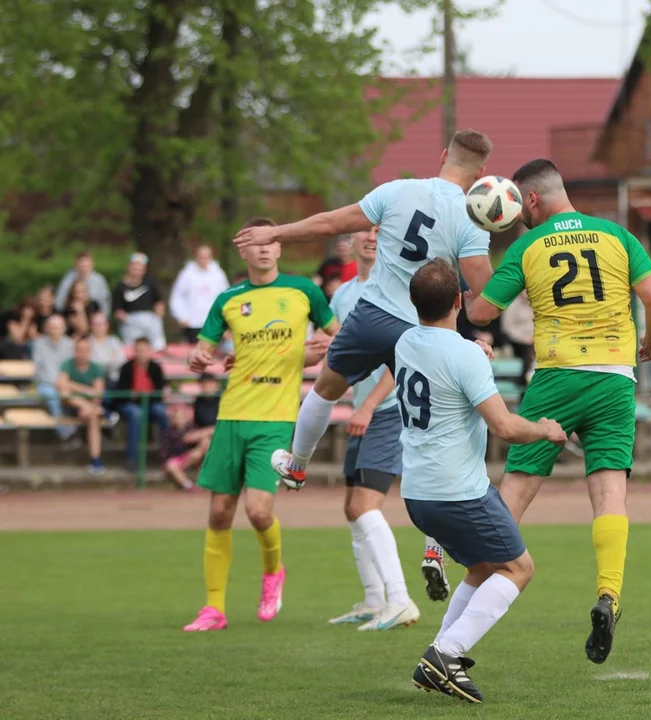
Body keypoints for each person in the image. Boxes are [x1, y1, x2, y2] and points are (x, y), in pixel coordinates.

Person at [465, 158, 651, 665]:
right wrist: (650, 342)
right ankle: (609, 596)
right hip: (615, 379)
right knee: (610, 493)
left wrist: (467, 265)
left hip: (556, 377)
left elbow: (481, 313)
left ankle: (460, 588)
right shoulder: (618, 235)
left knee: (513, 493)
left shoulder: (529, 244)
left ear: (530, 200)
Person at [232, 129, 495, 517]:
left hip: (373, 315)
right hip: (422, 329)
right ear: (481, 173)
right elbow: (483, 294)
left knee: (325, 389)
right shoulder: (471, 218)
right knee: (440, 426)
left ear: (443, 155)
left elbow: (328, 224)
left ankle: (298, 465)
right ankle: (437, 545)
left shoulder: (398, 190)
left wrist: (276, 231)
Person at [399, 260, 567, 703]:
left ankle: (436, 656)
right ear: (459, 300)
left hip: (418, 493)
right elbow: (505, 427)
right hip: (458, 492)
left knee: (482, 566)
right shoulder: (463, 354)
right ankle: (446, 653)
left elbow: (442, 355)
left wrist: (473, 349)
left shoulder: (405, 342)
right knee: (519, 568)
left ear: (413, 303)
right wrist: (546, 429)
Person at [182, 217, 339, 632]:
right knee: (218, 512)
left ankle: (273, 573)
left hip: (276, 418)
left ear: (280, 248)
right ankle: (214, 608)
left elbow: (338, 337)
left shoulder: (304, 290)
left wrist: (316, 352)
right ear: (243, 250)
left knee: (257, 511)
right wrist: (199, 358)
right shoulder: (228, 300)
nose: (265, 248)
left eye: (272, 241)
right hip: (232, 413)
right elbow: (203, 349)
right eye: (257, 242)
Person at [324, 227, 423, 630]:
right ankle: (372, 599)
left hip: (386, 410)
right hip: (361, 412)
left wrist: (366, 404)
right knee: (352, 508)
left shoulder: (395, 289)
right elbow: (341, 349)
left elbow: (397, 358)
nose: (369, 237)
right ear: (348, 243)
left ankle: (400, 599)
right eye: (362, 231)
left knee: (366, 506)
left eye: (378, 232)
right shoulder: (342, 295)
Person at [115, 337, 169, 471]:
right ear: (134, 351)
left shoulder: (156, 368)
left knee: (161, 412)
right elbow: (123, 394)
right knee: (136, 414)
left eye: (144, 350)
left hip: (151, 405)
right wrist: (140, 396)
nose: (141, 353)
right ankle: (132, 459)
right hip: (130, 406)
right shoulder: (126, 368)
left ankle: (168, 455)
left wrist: (142, 396)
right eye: (138, 350)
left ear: (149, 351)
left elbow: (160, 393)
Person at [56, 335, 108, 474]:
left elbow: (98, 394)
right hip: (70, 407)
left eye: (85, 350)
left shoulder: (96, 368)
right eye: (79, 350)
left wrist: (88, 405)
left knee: (93, 417)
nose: (82, 353)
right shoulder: (67, 364)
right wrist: (85, 392)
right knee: (66, 393)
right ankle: (91, 409)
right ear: (75, 351)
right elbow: (61, 384)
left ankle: (95, 460)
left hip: (89, 410)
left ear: (90, 352)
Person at [170, 245, 230, 343]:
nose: (203, 259)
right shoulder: (186, 274)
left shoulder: (218, 274)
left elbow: (225, 295)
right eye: (201, 256)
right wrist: (181, 317)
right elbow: (177, 296)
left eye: (206, 256)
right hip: (192, 323)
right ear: (196, 257)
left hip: (213, 322)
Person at [32, 314, 77, 442]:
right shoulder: (39, 344)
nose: (55, 330)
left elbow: (71, 369)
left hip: (66, 384)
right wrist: (56, 383)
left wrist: (63, 383)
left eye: (58, 327)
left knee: (70, 395)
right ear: (46, 328)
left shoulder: (71, 344)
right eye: (52, 327)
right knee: (53, 396)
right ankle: (67, 432)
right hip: (45, 385)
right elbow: (38, 371)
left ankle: (71, 431)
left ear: (64, 328)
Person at [113, 253, 166, 350]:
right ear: (129, 267)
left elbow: (159, 302)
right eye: (134, 267)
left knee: (157, 343)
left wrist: (158, 316)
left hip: (150, 320)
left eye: (140, 268)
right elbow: (117, 311)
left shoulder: (150, 283)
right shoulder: (120, 287)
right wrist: (127, 320)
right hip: (130, 321)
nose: (137, 270)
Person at [161, 404, 210, 492]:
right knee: (171, 465)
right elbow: (185, 439)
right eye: (177, 417)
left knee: (198, 452)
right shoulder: (168, 432)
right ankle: (189, 486)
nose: (179, 419)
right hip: (174, 460)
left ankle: (206, 480)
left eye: (182, 417)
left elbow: (194, 440)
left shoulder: (191, 428)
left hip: (188, 458)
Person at [55, 250, 112, 316]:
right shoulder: (68, 277)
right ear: (75, 265)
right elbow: (59, 301)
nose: (83, 269)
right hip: (72, 313)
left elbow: (105, 302)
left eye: (86, 265)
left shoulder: (99, 280)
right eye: (81, 265)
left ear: (92, 265)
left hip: (93, 315)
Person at [88, 311, 127, 386]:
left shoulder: (115, 341)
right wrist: (111, 360)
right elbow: (92, 366)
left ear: (107, 325)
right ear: (91, 326)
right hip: (92, 381)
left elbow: (122, 361)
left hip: (114, 381)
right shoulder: (87, 342)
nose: (99, 327)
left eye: (102, 324)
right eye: (96, 324)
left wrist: (103, 363)